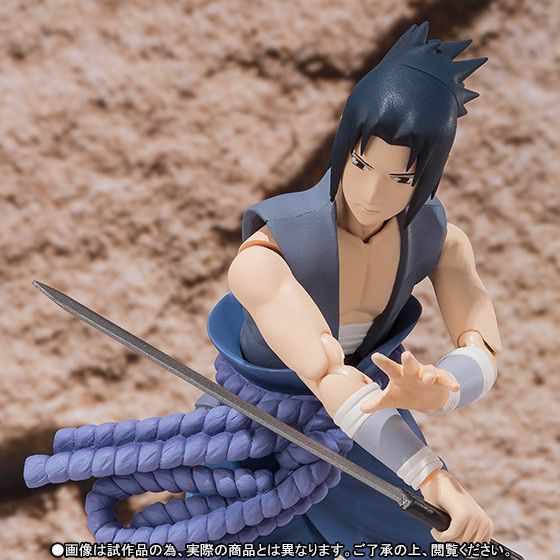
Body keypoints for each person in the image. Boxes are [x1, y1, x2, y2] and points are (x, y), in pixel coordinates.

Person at [206, 21, 500, 556]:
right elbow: (325, 373)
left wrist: (445, 387)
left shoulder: (439, 239)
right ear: (343, 148)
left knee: (418, 542)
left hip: (373, 415)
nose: (371, 193)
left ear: (428, 176)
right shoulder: (267, 256)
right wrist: (432, 477)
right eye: (362, 164)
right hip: (259, 428)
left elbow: (481, 344)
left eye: (401, 178)